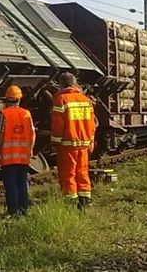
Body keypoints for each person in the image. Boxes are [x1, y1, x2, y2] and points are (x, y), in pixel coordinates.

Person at [51, 72, 96, 209]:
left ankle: (70, 203)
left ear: (60, 85)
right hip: (84, 144)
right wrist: (91, 141)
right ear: (74, 83)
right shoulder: (86, 100)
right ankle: (85, 201)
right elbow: (92, 124)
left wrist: (55, 142)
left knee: (68, 173)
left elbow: (58, 125)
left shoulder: (61, 100)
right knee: (82, 172)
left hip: (68, 144)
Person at [0, 85, 36, 216]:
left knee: (11, 185)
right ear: (19, 99)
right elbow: (32, 133)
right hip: (23, 156)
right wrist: (30, 150)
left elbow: (0, 134)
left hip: (9, 157)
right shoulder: (26, 113)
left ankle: (13, 211)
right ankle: (24, 210)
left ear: (6, 100)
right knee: (22, 183)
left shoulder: (4, 114)